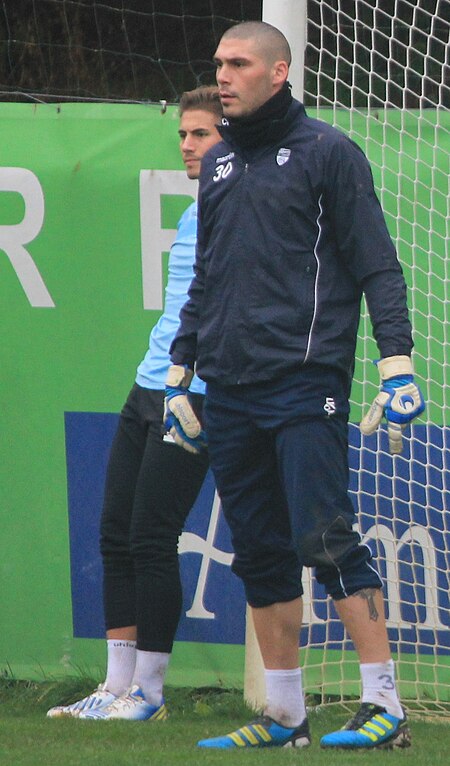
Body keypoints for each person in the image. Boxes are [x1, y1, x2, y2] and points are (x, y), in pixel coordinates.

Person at [166, 22, 425, 750]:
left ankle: (386, 707)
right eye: (218, 62)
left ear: (278, 72)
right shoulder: (219, 168)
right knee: (258, 551)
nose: (223, 74)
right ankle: (285, 716)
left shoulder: (328, 154)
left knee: (326, 538)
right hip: (230, 389)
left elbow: (378, 264)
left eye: (238, 62)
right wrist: (180, 373)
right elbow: (207, 276)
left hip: (304, 381)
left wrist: (396, 364)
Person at [47, 86, 223, 721]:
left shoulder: (244, 209)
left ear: (231, 140)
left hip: (198, 397)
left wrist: (193, 380)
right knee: (114, 533)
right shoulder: (194, 210)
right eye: (183, 134)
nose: (187, 145)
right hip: (147, 386)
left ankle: (149, 695)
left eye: (201, 134)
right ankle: (114, 685)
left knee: (152, 537)